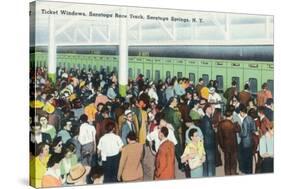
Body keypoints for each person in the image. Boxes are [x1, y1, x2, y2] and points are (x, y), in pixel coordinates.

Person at [163, 97, 184, 170]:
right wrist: (180, 121)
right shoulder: (174, 112)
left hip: (166, 131)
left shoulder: (165, 110)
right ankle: (181, 165)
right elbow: (177, 124)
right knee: (178, 149)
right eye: (175, 101)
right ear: (171, 102)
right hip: (174, 132)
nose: (177, 102)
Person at [217, 110, 239, 175]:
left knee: (226, 160)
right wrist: (237, 124)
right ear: (231, 116)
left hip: (225, 145)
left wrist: (221, 145)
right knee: (233, 160)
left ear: (225, 116)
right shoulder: (232, 124)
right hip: (233, 145)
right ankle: (233, 172)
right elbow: (239, 130)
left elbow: (219, 136)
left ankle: (227, 173)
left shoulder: (220, 124)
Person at [239, 104, 257, 174]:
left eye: (240, 113)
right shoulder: (250, 118)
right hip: (251, 141)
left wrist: (240, 133)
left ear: (242, 112)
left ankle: (247, 172)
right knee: (250, 158)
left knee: (245, 157)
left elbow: (244, 133)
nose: (240, 114)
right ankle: (250, 171)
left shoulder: (245, 120)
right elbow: (254, 129)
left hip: (246, 142)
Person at [200, 103, 216, 177]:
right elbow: (208, 133)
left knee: (207, 163)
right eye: (210, 108)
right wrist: (214, 130)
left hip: (207, 143)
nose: (212, 109)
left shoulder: (207, 118)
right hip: (209, 144)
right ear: (206, 109)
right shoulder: (206, 120)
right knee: (210, 162)